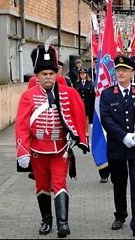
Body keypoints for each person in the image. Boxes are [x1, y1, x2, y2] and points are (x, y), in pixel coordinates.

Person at [15, 46, 89, 238]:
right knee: (41, 186)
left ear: (56, 74)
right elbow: (22, 126)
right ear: (37, 76)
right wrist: (22, 152)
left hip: (60, 149)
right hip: (37, 150)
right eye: (44, 73)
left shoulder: (68, 93)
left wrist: (80, 137)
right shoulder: (28, 96)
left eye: (51, 73)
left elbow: (79, 114)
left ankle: (62, 224)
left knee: (59, 183)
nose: (48, 77)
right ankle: (46, 220)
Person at [99, 56, 135, 240]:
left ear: (133, 73)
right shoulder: (108, 94)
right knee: (119, 184)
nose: (120, 73)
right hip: (118, 147)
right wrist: (124, 136)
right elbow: (106, 119)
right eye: (118, 69)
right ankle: (120, 214)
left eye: (124, 70)